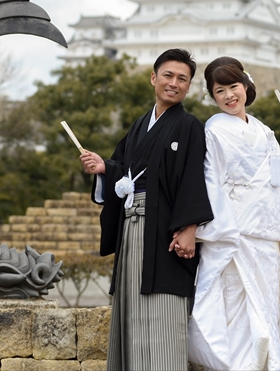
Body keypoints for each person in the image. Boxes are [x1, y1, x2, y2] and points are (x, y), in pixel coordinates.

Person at [79, 48, 214, 371]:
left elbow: (194, 178)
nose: (174, 83)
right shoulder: (140, 125)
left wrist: (189, 228)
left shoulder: (189, 126)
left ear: (189, 86)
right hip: (132, 225)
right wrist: (104, 168)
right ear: (153, 78)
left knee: (163, 308)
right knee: (131, 307)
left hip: (166, 229)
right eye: (168, 75)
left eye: (182, 79)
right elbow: (124, 170)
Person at [187, 57, 280, 371]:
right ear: (212, 96)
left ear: (246, 85)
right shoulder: (213, 129)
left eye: (233, 86)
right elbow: (210, 180)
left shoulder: (265, 131)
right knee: (237, 314)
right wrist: (219, 228)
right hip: (234, 233)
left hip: (266, 236)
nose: (229, 95)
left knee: (264, 311)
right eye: (220, 91)